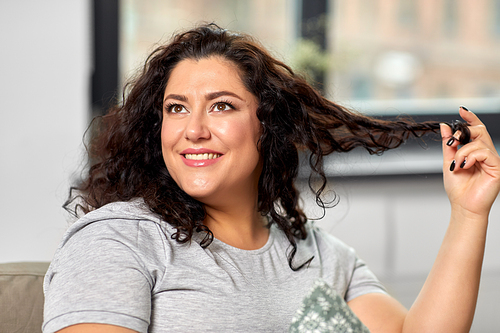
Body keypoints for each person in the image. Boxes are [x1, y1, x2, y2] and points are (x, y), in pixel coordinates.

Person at [43, 23, 500, 333]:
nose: (193, 129)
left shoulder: (316, 254)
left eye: (222, 105)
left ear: (268, 126)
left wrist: (468, 212)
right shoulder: (117, 241)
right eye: (176, 108)